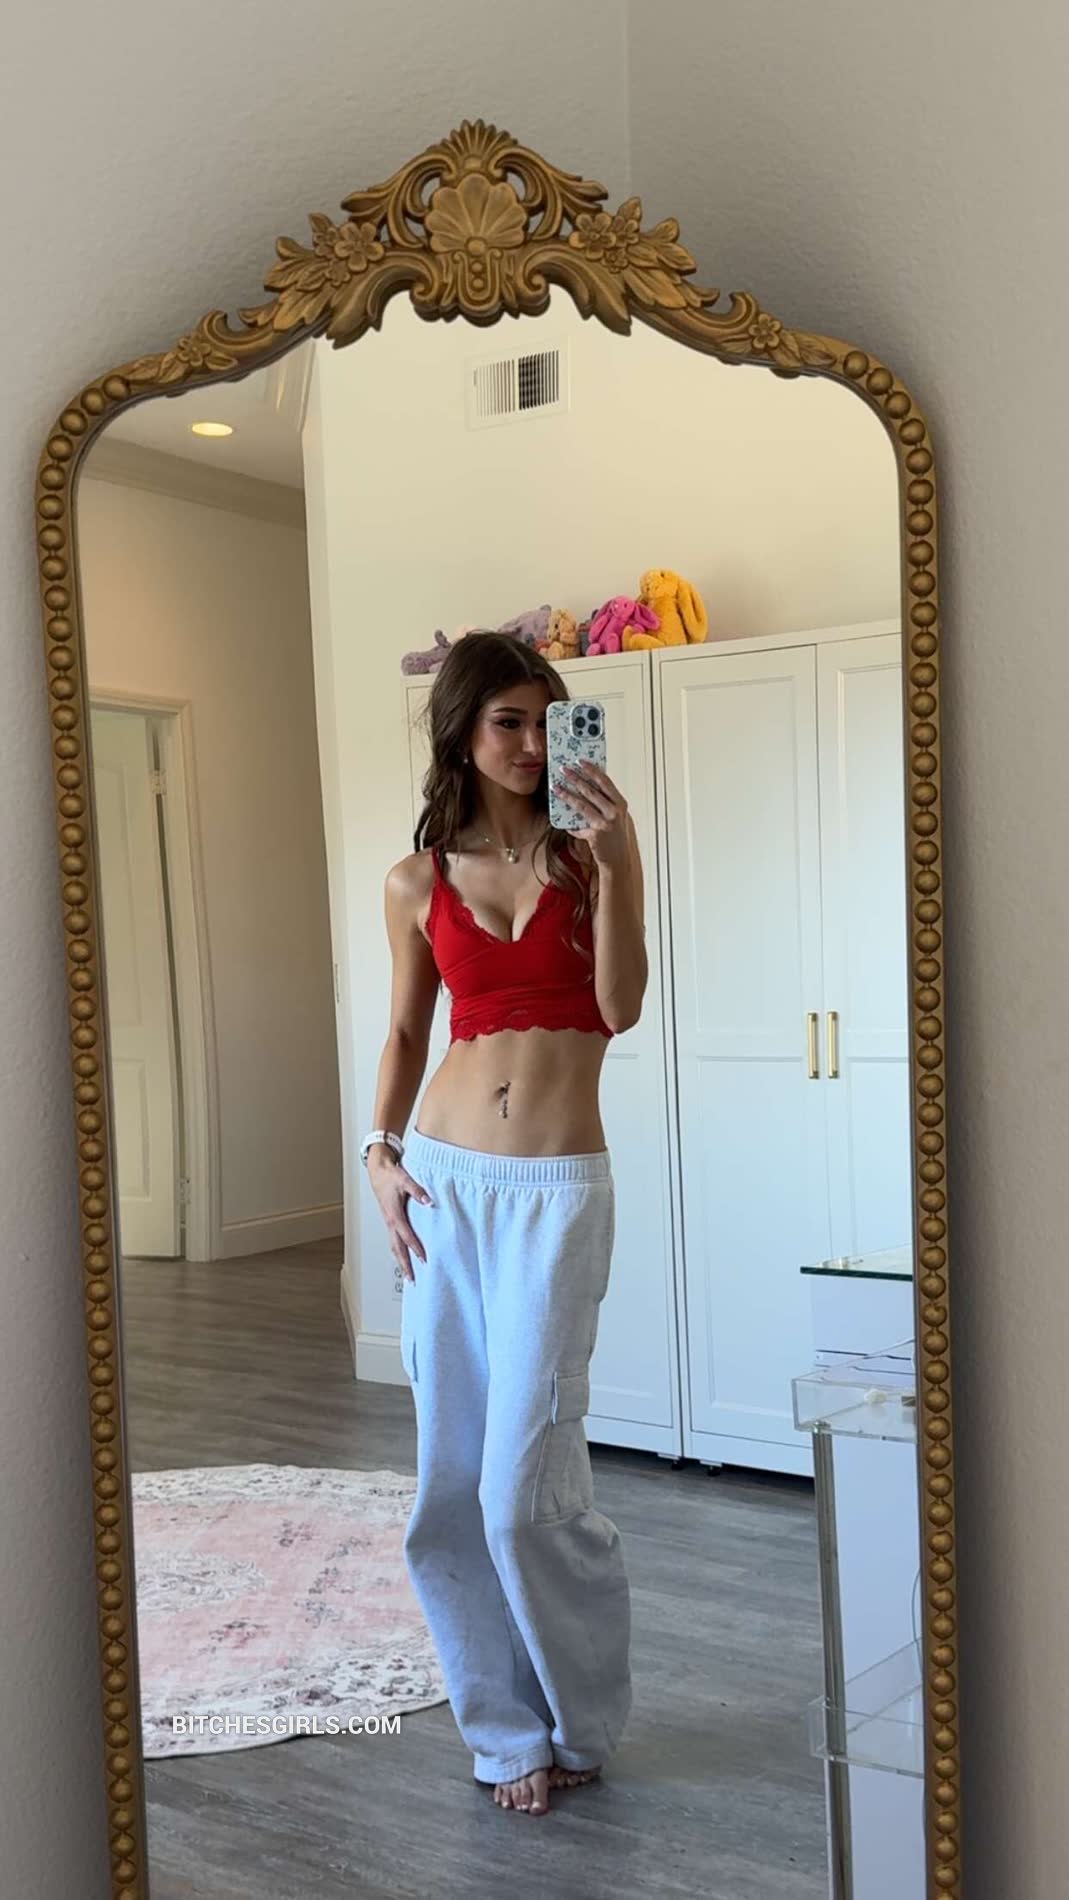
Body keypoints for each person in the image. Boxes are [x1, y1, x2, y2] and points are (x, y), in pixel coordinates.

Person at [363, 630, 647, 1818]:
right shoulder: (416, 881)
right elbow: (404, 1032)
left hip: (555, 1193)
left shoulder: (591, 858)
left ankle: (581, 1713)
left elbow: (619, 1008)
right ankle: (502, 1732)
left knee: (525, 1489)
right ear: (463, 732)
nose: (532, 744)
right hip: (442, 1184)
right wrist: (377, 1152)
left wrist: (617, 861)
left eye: (545, 720)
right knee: (449, 1484)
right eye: (507, 722)